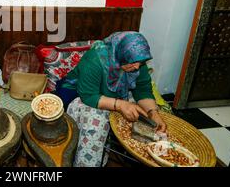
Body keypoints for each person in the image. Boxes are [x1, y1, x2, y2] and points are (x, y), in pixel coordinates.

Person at [55, 31, 167, 167]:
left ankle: (136, 157)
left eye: (140, 62)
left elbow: (142, 89)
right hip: (81, 94)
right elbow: (88, 95)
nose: (137, 66)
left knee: (146, 120)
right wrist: (120, 105)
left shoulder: (137, 61)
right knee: (96, 120)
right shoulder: (95, 59)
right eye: (133, 62)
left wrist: (152, 113)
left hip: (114, 96)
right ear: (120, 54)